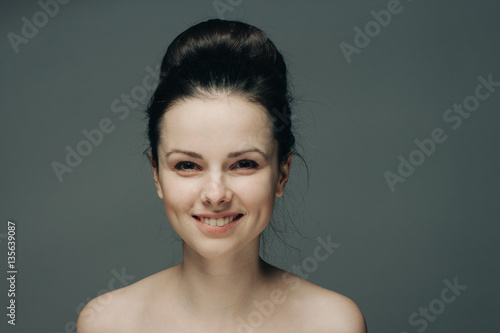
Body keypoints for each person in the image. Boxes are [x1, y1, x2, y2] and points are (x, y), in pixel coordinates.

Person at [76, 18, 366, 333]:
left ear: (283, 173)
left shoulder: (333, 323)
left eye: (244, 164)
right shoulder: (107, 323)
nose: (215, 195)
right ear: (157, 175)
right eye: (187, 165)